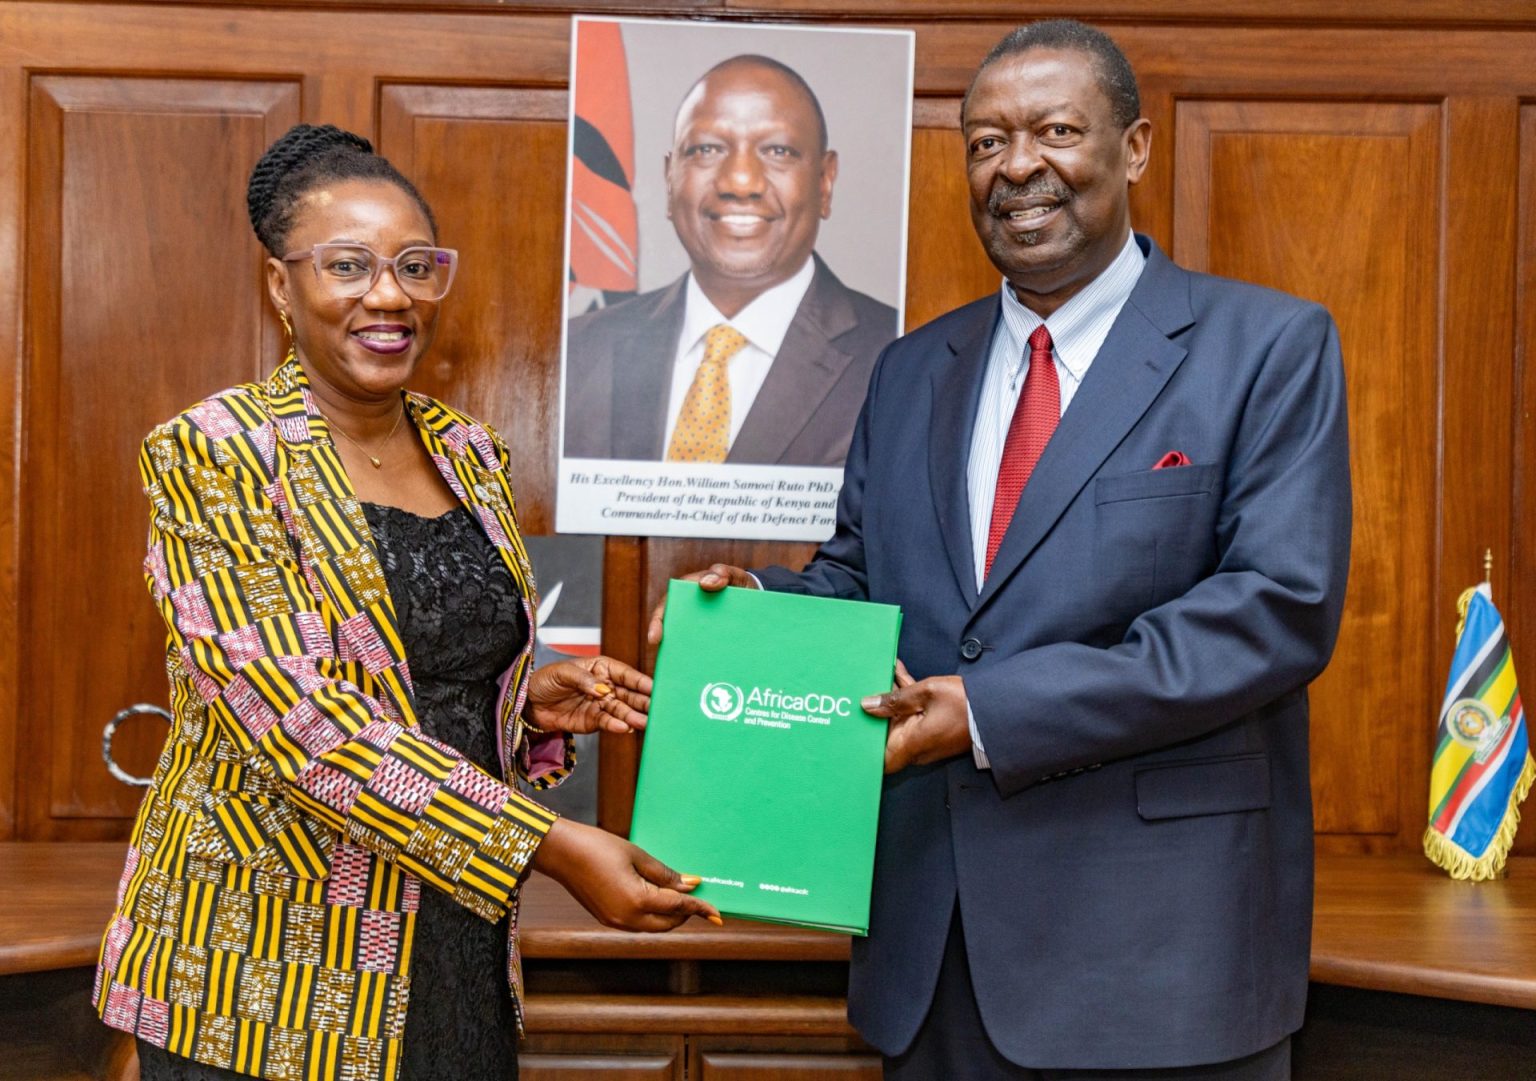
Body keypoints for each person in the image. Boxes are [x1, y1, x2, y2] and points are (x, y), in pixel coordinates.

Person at [651, 20, 1351, 1081]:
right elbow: (864, 583)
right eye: (985, 142)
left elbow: (1275, 610)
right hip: (936, 956)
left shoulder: (1266, 347)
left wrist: (986, 711)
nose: (1016, 166)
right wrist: (753, 610)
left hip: (1159, 967)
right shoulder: (911, 370)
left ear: (1135, 148)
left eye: (1055, 131)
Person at [95, 123, 720, 1081]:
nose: (389, 295)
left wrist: (525, 698)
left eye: (415, 266)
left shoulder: (469, 451)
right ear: (280, 285)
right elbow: (299, 719)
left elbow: (417, 672)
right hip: (267, 969)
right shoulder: (214, 452)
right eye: (348, 265)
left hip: (457, 938)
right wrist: (547, 843)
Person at [564, 54, 899, 466]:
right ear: (670, 179)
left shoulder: (897, 358)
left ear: (825, 182)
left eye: (778, 151)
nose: (740, 181)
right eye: (707, 149)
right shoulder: (579, 351)